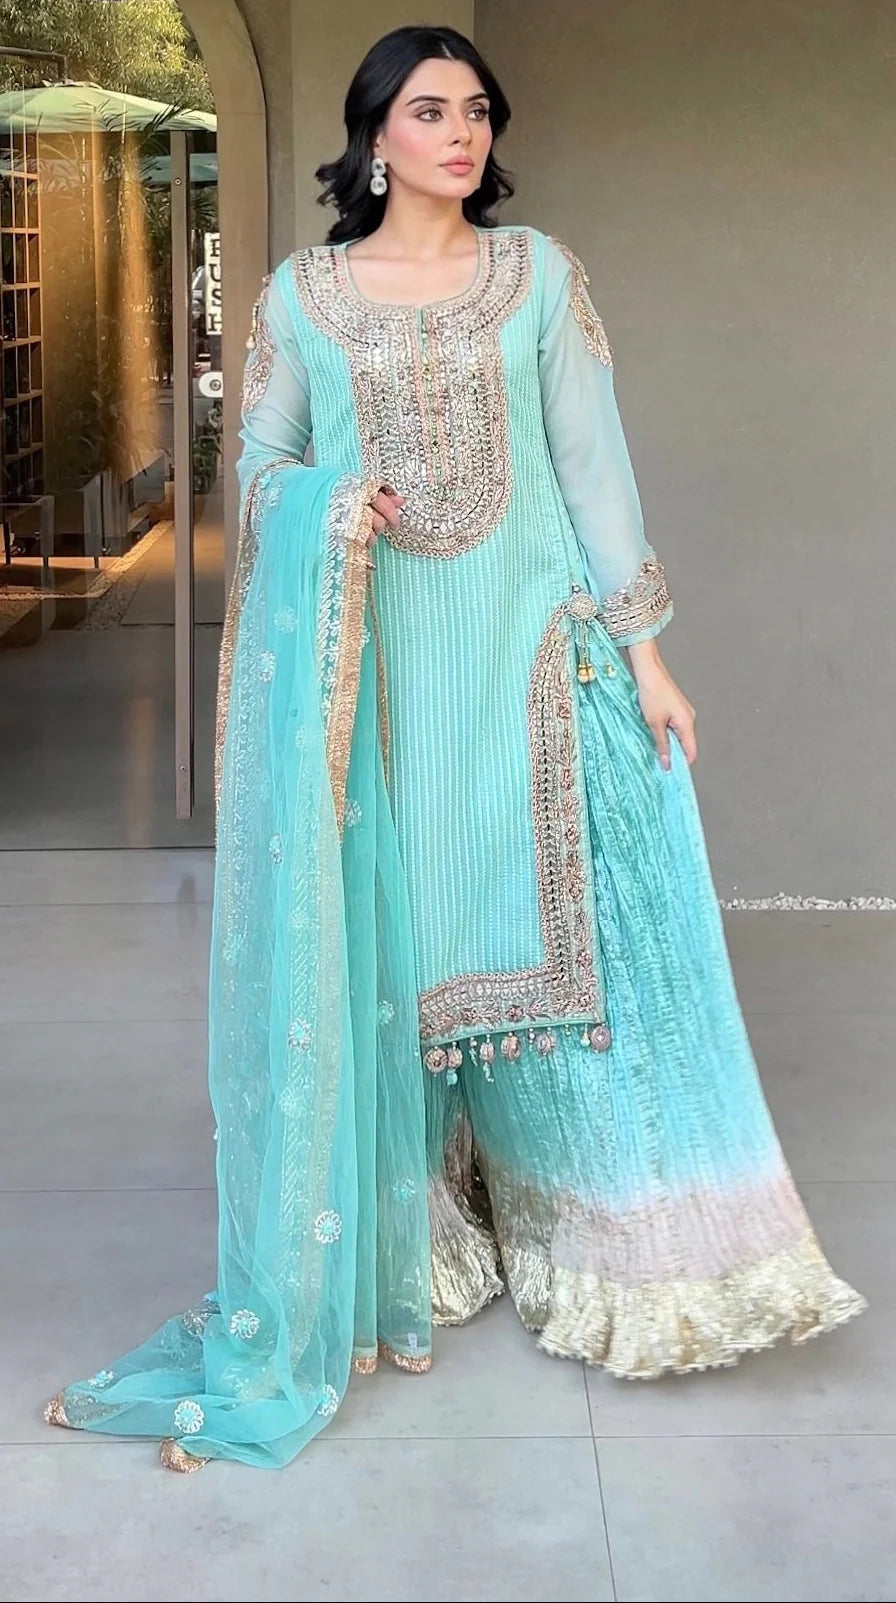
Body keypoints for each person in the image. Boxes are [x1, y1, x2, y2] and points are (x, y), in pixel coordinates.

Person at [45, 24, 864, 1471]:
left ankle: (600, 1237)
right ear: (374, 135)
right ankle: (413, 1229)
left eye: (477, 110)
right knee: (404, 936)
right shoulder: (304, 298)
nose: (462, 132)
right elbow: (261, 462)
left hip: (529, 654)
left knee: (562, 934)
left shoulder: (537, 275)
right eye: (430, 110)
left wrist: (648, 655)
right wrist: (326, 502)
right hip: (379, 678)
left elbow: (590, 465)